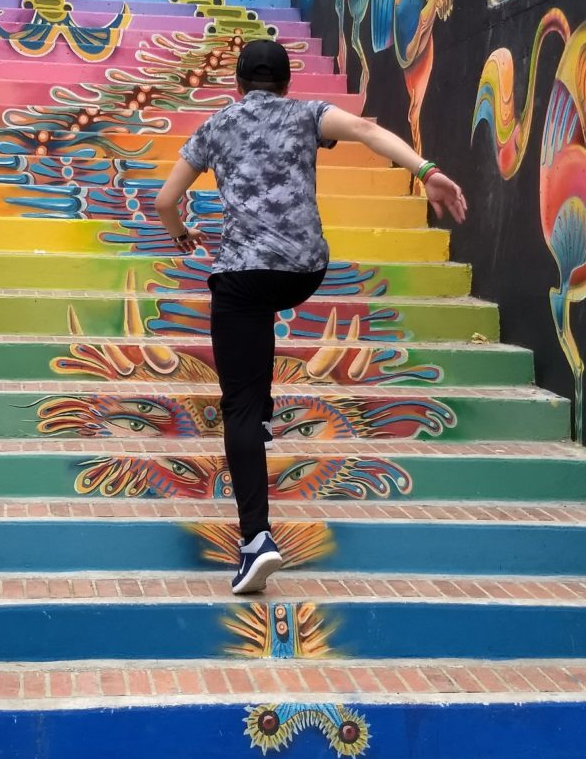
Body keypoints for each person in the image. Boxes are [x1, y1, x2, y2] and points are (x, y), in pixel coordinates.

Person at [154, 39, 467, 595]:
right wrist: (427, 171)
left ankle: (256, 540)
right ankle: (262, 411)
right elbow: (367, 130)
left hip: (244, 278)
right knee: (257, 339)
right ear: (287, 84)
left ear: (238, 85)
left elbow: (164, 201)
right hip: (304, 272)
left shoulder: (215, 126)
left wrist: (181, 234)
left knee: (238, 404)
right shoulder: (307, 114)